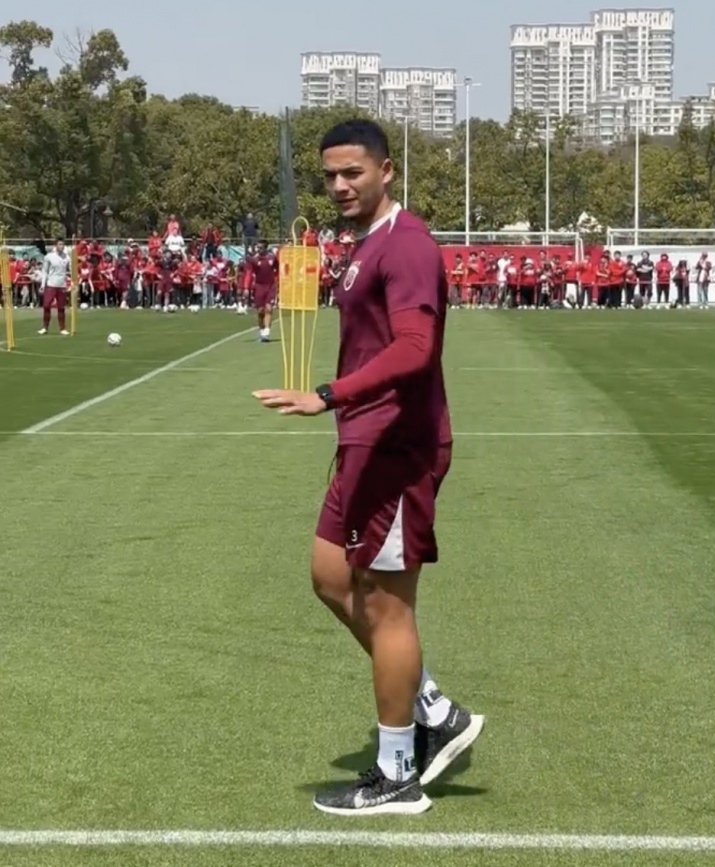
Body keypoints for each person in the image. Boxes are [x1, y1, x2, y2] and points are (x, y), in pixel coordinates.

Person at [253, 119, 483, 816]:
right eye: (329, 175)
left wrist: (327, 395)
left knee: (387, 607)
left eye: (352, 172)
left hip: (396, 446)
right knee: (330, 575)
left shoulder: (406, 243)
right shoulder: (366, 244)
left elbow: (414, 347)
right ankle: (433, 708)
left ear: (387, 171)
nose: (339, 185)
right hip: (364, 442)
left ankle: (396, 774)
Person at [38, 239, 70, 335]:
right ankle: (45, 327)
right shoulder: (49, 256)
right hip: (51, 284)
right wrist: (42, 285)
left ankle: (62, 328)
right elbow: (45, 271)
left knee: (61, 307)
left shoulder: (67, 257)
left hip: (61, 285)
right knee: (46, 305)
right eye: (60, 244)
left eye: (63, 244)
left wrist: (71, 282)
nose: (62, 246)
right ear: (56, 246)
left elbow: (70, 270)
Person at [251, 242, 278, 342]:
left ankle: (267, 331)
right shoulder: (255, 259)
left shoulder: (272, 258)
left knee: (269, 309)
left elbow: (278, 268)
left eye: (261, 247)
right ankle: (262, 330)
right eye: (258, 247)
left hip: (270, 286)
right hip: (259, 286)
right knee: (260, 311)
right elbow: (251, 272)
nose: (259, 249)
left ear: (266, 248)